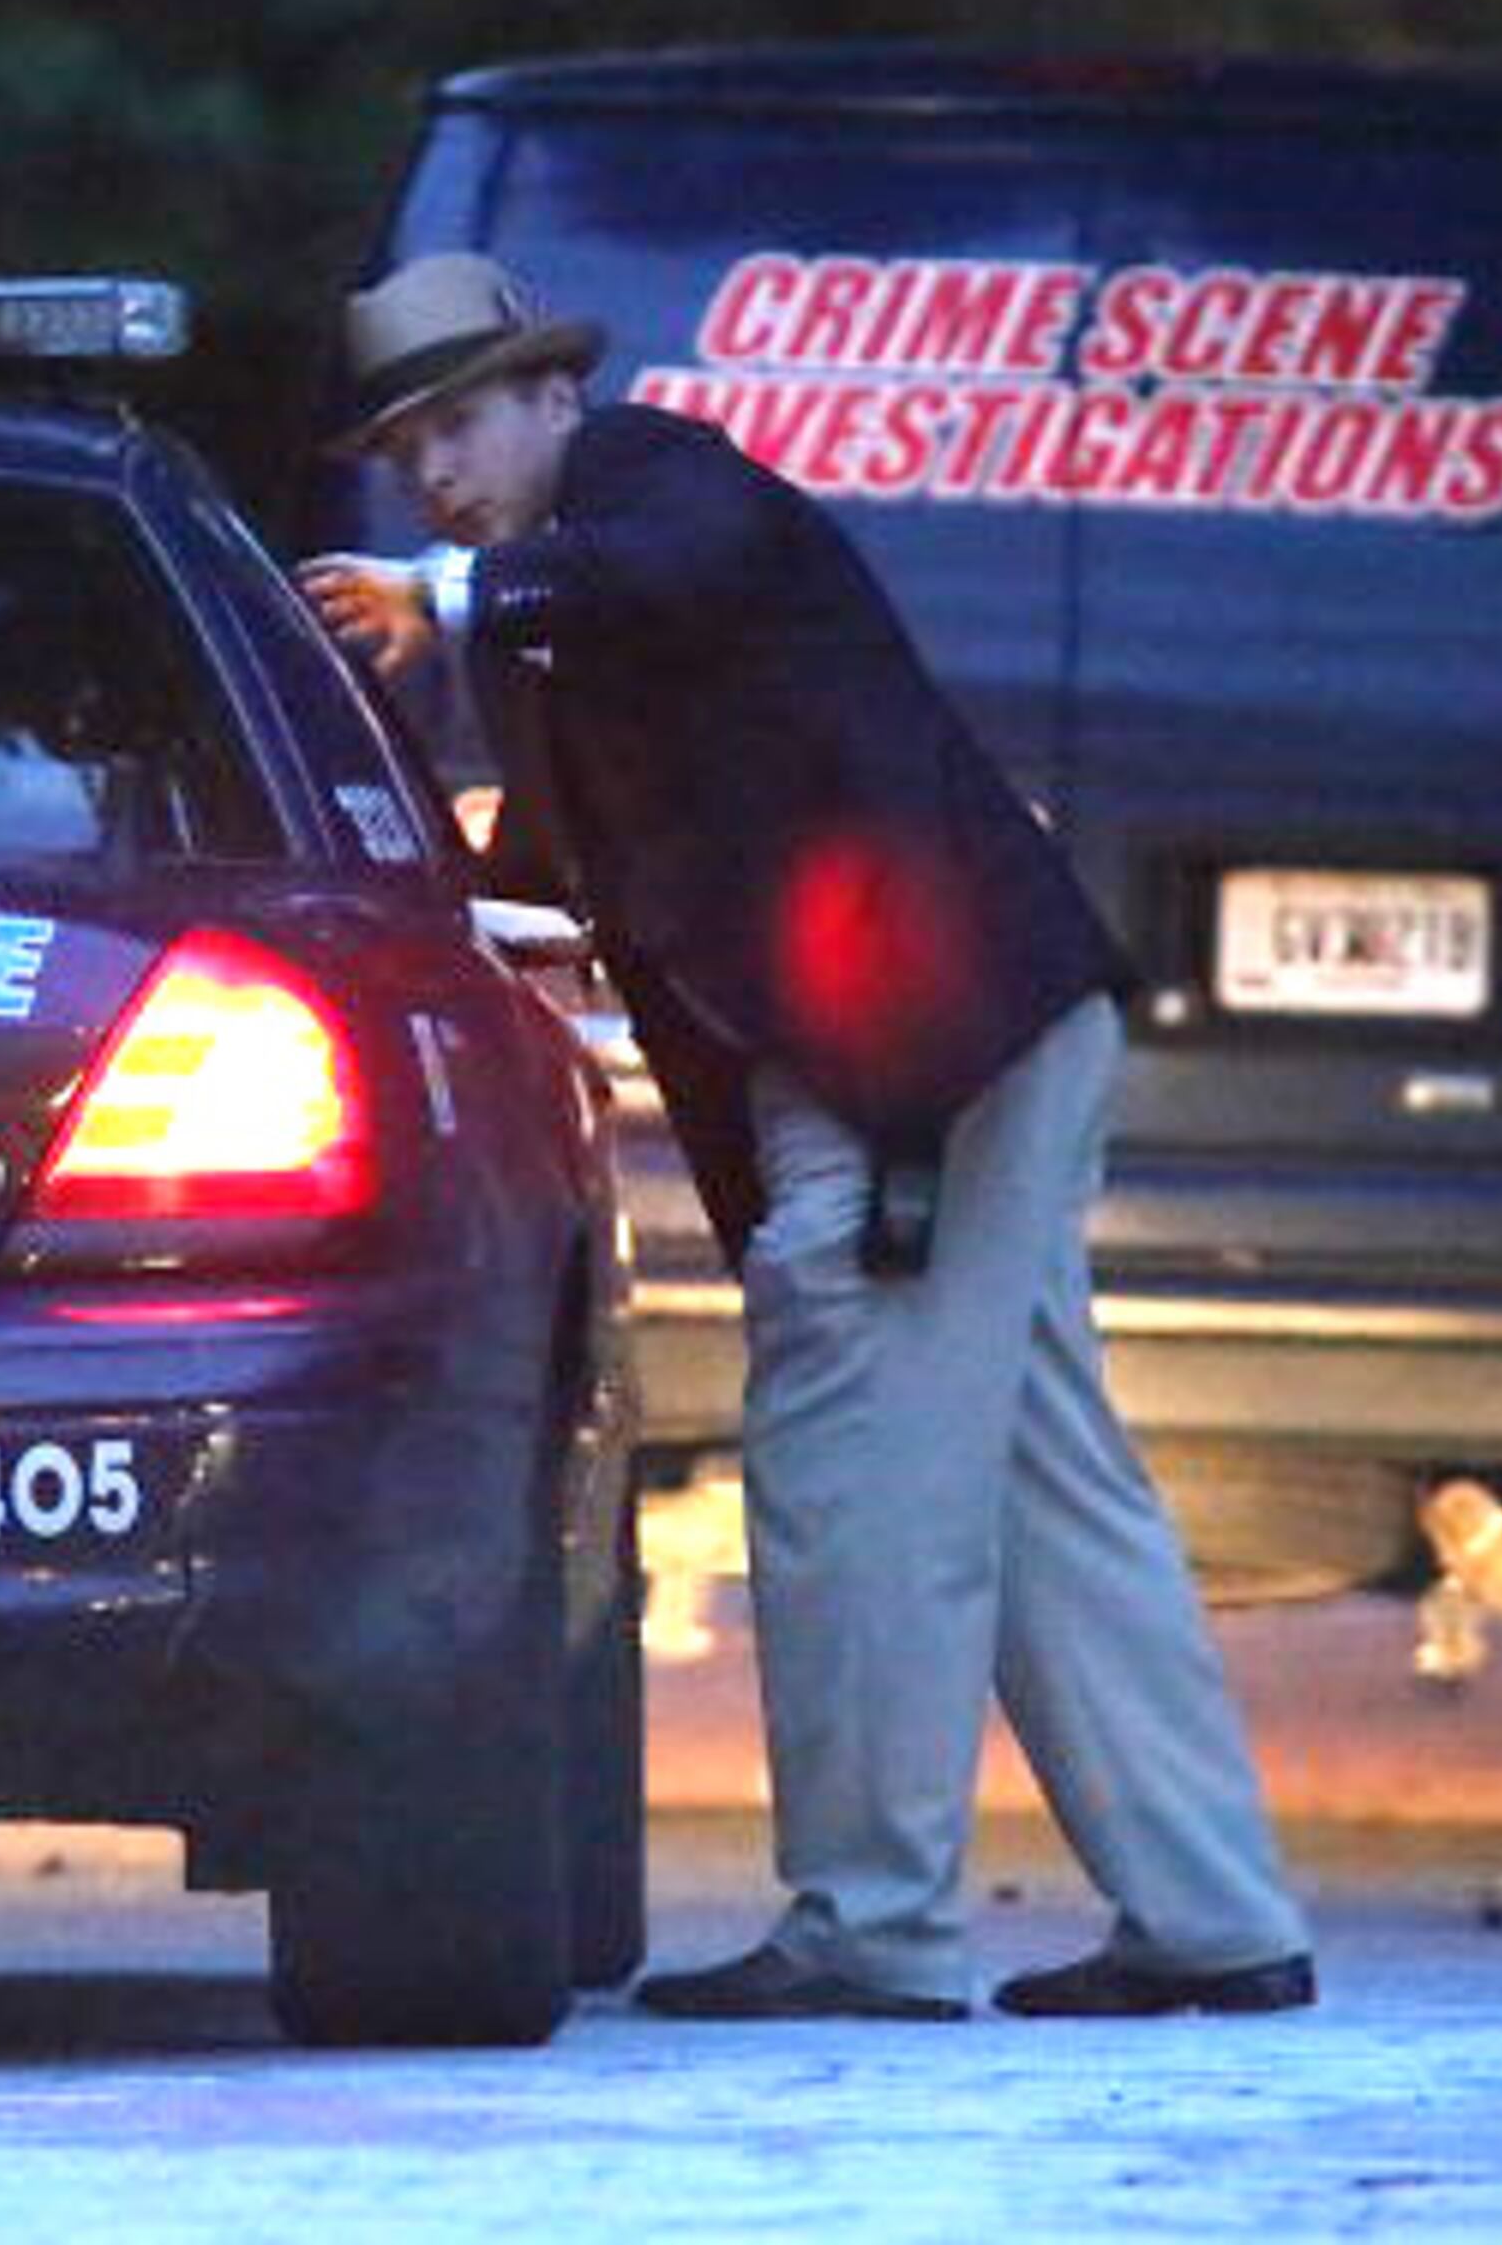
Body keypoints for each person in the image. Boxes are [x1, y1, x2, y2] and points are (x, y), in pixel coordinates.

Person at [302, 252, 1311, 2022]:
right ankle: (1215, 1915)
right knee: (1034, 1480)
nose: (437, 471)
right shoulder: (553, 628)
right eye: (407, 451)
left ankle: (871, 1928)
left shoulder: (660, 488)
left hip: (907, 1054)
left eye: (460, 422)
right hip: (964, 1030)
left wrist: (446, 594)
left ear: (555, 396)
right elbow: (555, 864)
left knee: (851, 1475)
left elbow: (656, 576)